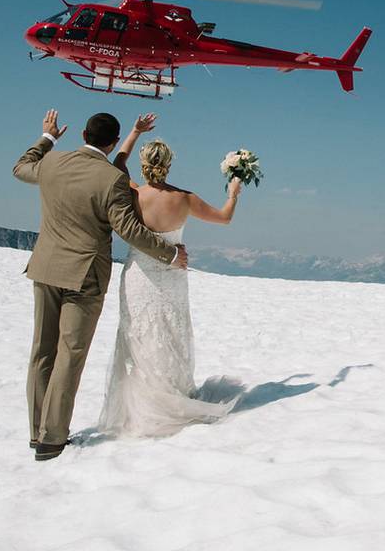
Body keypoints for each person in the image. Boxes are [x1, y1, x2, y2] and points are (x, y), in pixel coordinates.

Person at [13, 109, 188, 462]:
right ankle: (52, 439)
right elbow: (130, 230)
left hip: (45, 269)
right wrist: (170, 254)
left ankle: (37, 433)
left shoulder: (51, 163)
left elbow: (21, 167)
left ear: (82, 135)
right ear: (111, 142)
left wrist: (47, 137)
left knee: (42, 352)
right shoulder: (112, 179)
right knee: (69, 354)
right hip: (85, 276)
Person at [97, 113, 243, 438]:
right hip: (173, 276)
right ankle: (174, 398)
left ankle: (144, 406)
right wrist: (234, 192)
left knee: (141, 336)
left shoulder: (133, 193)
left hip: (139, 276)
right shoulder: (185, 198)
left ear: (145, 164)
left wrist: (135, 131)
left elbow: (117, 162)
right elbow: (224, 218)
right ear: (169, 165)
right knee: (172, 334)